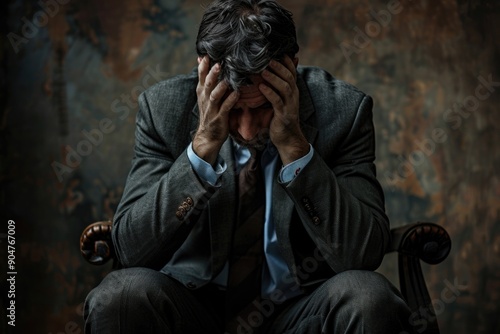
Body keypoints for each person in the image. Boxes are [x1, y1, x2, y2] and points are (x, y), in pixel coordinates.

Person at [84, 0, 415, 333]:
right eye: (232, 110)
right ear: (203, 72)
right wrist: (201, 149)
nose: (246, 130)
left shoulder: (343, 111)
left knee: (367, 296)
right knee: (121, 295)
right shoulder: (162, 109)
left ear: (291, 69)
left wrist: (296, 148)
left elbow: (363, 254)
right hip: (192, 310)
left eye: (261, 109)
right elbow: (130, 251)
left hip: (300, 312)